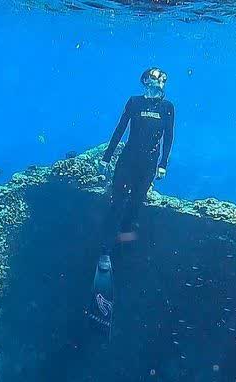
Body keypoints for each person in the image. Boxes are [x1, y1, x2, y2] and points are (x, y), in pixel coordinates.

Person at [88, 67, 176, 336]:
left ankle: (123, 248)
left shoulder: (168, 108)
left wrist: (163, 165)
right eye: (152, 79)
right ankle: (105, 252)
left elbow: (169, 137)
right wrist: (106, 157)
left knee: (134, 210)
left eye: (160, 80)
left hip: (148, 165)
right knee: (117, 203)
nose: (156, 84)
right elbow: (120, 129)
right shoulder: (134, 102)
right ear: (144, 81)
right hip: (127, 161)